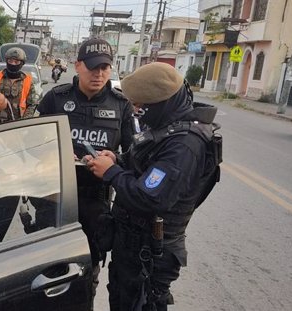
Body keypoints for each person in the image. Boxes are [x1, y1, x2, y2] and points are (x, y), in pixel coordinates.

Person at [86, 62, 222, 311]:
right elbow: (145, 166)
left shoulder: (185, 144)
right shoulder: (166, 128)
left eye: (141, 106)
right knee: (121, 300)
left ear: (162, 103)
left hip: (150, 254)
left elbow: (150, 198)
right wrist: (117, 160)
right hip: (131, 245)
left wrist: (112, 172)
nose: (136, 110)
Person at [36, 37, 134, 308]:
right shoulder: (56, 98)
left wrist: (115, 158)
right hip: (54, 198)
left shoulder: (121, 105)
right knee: (46, 270)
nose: (99, 73)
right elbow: (29, 144)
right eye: (92, 67)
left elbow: (135, 156)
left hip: (95, 201)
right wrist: (53, 154)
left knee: (87, 270)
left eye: (105, 67)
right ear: (77, 66)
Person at [0, 47, 39, 124]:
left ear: (22, 63)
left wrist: (24, 121)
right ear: (6, 61)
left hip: (16, 125)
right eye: (10, 61)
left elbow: (32, 104)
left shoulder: (27, 81)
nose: (13, 64)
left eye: (16, 62)